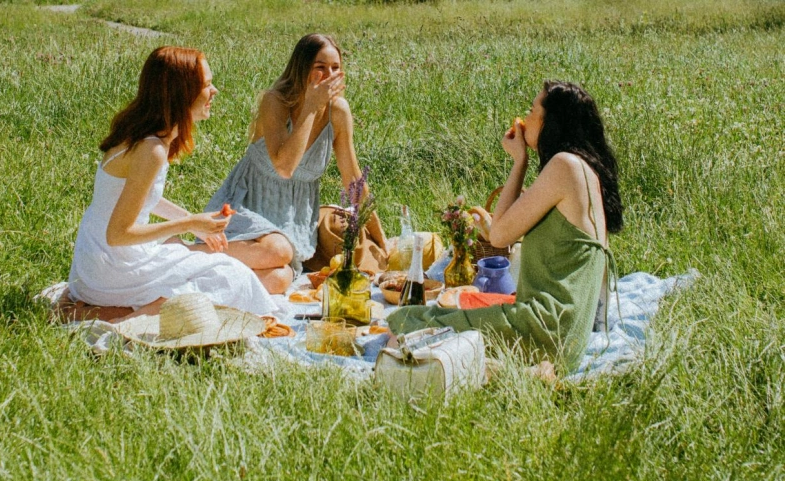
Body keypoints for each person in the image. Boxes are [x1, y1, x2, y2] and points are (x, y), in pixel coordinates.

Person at [388, 81, 624, 372]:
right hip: (568, 340)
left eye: (533, 110)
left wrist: (519, 161)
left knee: (407, 322)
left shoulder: (564, 166)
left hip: (541, 330)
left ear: (551, 122)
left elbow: (499, 235)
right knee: (451, 321)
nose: (525, 118)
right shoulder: (587, 174)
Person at [68, 46, 280, 320]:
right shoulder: (151, 149)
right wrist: (190, 224)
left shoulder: (148, 137)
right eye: (206, 85)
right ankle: (116, 319)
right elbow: (118, 234)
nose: (214, 91)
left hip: (96, 261)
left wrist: (195, 223)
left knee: (185, 250)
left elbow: (142, 198)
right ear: (182, 93)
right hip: (109, 267)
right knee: (232, 275)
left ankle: (110, 310)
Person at [201, 33, 370, 293]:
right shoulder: (275, 102)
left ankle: (199, 287)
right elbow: (285, 167)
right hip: (249, 206)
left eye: (335, 68)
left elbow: (353, 180)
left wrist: (378, 237)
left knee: (280, 279)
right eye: (320, 68)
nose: (329, 76)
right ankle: (192, 253)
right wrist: (312, 107)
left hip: (293, 219)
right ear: (302, 70)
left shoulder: (338, 111)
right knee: (276, 252)